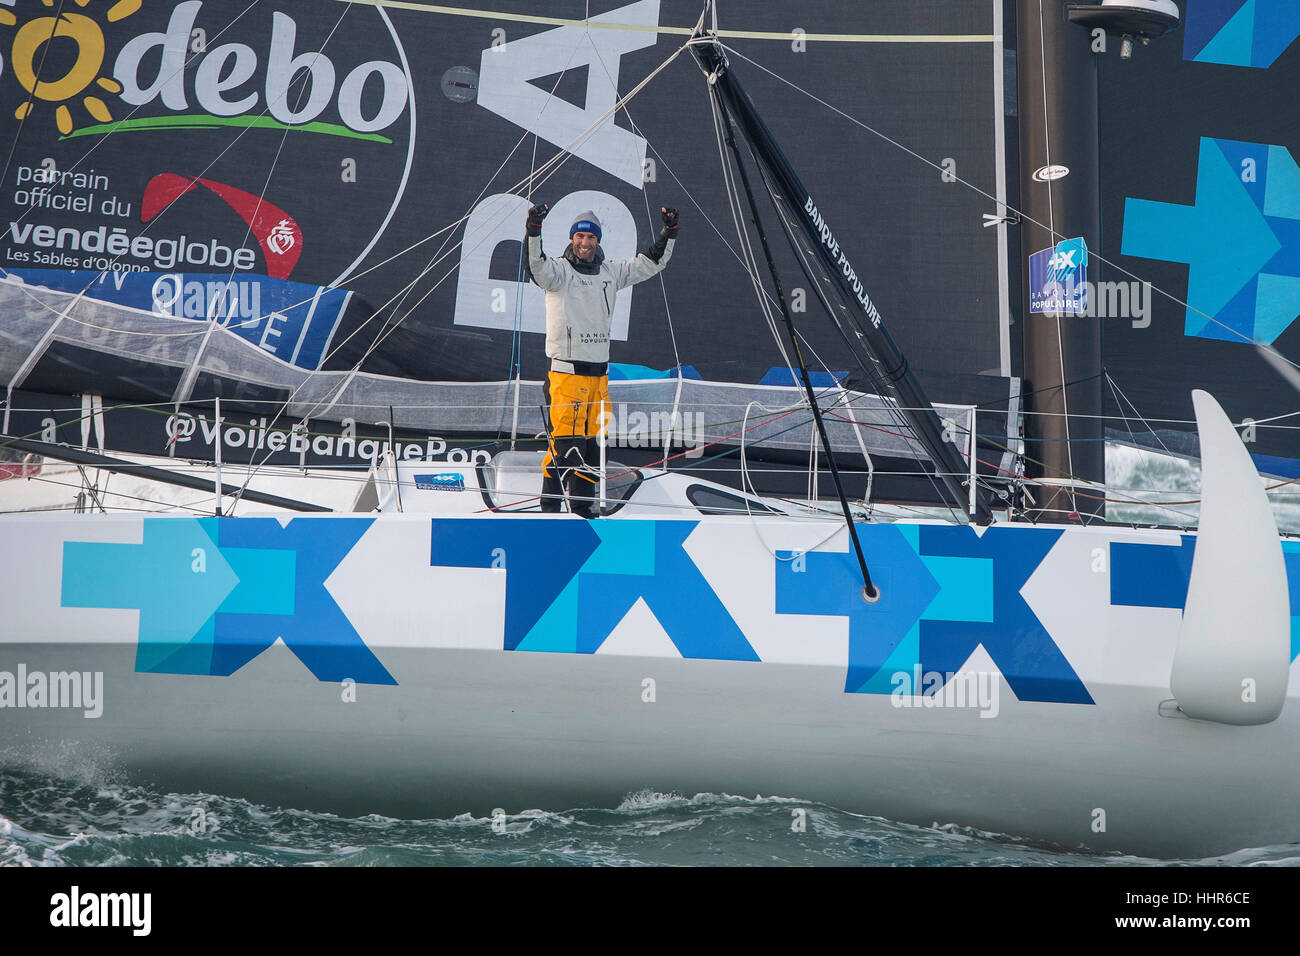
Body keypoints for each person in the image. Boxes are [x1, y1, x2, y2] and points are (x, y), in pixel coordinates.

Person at [525, 202, 678, 516]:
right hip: (566, 377)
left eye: (590, 238)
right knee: (565, 450)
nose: (585, 243)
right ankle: (549, 512)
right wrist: (534, 229)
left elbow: (651, 262)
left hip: (599, 379)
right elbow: (534, 264)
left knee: (594, 452)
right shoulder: (557, 271)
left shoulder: (612, 272)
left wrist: (669, 231)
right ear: (572, 239)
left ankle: (584, 513)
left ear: (597, 241)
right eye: (580, 237)